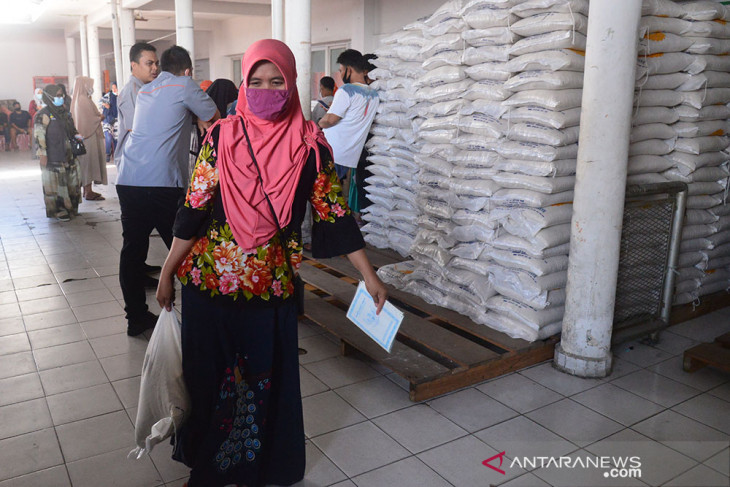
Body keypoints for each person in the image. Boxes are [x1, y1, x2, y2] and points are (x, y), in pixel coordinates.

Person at [155, 39, 387, 487]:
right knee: (209, 380)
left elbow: (333, 213)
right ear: (244, 84)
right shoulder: (221, 136)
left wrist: (369, 275)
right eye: (256, 82)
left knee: (260, 380)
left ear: (291, 82)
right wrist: (166, 272)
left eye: (276, 81)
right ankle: (209, 469)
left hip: (271, 291)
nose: (266, 90)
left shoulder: (310, 142)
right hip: (208, 287)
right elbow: (193, 209)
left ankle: (253, 465)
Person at [117, 45, 219, 336]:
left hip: (129, 178)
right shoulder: (185, 84)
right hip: (161, 182)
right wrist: (199, 115)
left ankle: (135, 318)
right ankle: (202, 319)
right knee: (185, 248)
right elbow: (214, 114)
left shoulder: (146, 90)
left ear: (160, 68)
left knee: (133, 250)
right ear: (188, 70)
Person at [318, 49, 379, 225]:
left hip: (332, 151)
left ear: (349, 69)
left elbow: (330, 120)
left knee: (325, 196)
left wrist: (317, 124)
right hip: (350, 155)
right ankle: (342, 229)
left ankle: (338, 231)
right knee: (335, 195)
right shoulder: (374, 94)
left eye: (341, 69)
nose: (340, 73)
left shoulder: (347, 91)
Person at [33, 84, 82, 221]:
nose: (61, 98)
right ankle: (58, 210)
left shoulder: (64, 112)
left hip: (69, 154)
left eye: (62, 95)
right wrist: (42, 154)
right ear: (49, 96)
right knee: (55, 185)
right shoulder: (42, 114)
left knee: (72, 182)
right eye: (58, 95)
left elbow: (72, 129)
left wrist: (77, 135)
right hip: (53, 155)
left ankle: (71, 208)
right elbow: (39, 136)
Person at [115, 42, 159, 167]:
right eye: (149, 63)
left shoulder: (147, 89)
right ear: (134, 65)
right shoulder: (131, 92)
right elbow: (137, 129)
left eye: (156, 63)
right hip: (134, 164)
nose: (155, 68)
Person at [71, 76, 108, 201]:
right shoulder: (83, 100)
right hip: (88, 136)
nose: (91, 88)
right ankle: (88, 191)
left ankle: (87, 190)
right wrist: (100, 118)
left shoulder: (78, 99)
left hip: (84, 136)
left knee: (87, 164)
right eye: (89, 85)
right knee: (88, 164)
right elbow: (89, 120)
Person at [101, 82, 118, 162]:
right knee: (108, 137)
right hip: (107, 119)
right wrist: (105, 105)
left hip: (117, 120)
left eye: (115, 88)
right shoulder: (108, 96)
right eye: (113, 88)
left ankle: (116, 155)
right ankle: (107, 153)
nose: (114, 89)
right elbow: (101, 103)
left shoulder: (120, 96)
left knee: (116, 138)